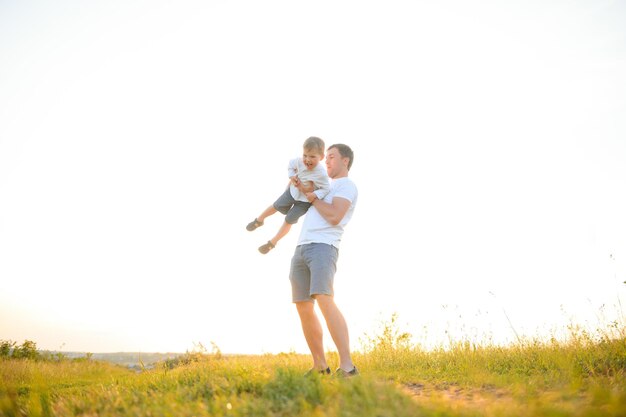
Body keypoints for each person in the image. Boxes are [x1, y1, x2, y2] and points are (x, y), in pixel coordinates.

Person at [290, 144, 359, 377]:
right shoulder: (324, 186)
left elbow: (334, 215)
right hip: (302, 247)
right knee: (302, 304)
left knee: (324, 298)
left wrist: (313, 199)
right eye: (326, 158)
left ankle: (347, 366)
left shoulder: (346, 185)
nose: (326, 161)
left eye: (331, 157)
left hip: (323, 247)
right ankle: (320, 365)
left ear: (345, 161)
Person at [246, 137, 330, 254]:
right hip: (292, 192)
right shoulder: (298, 161)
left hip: (304, 202)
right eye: (305, 155)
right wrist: (291, 176)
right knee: (276, 206)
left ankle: (272, 243)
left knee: (289, 220)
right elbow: (290, 165)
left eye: (312, 156)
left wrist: (315, 194)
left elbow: (326, 188)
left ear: (321, 157)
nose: (307, 159)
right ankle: (259, 220)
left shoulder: (321, 173)